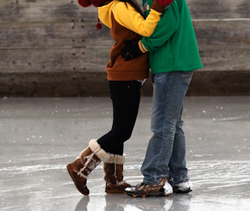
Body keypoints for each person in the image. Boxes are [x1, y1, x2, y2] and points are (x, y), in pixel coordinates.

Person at [66, 0, 174, 196]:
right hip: (126, 74)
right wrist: (158, 6)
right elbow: (146, 29)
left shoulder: (113, 6)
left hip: (124, 74)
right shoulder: (119, 7)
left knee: (119, 129)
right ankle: (80, 167)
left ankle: (114, 181)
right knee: (122, 131)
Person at [123, 0, 202, 197]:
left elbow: (168, 24)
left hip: (171, 64)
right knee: (174, 124)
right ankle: (179, 177)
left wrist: (142, 46)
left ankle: (154, 179)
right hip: (175, 62)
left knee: (163, 124)